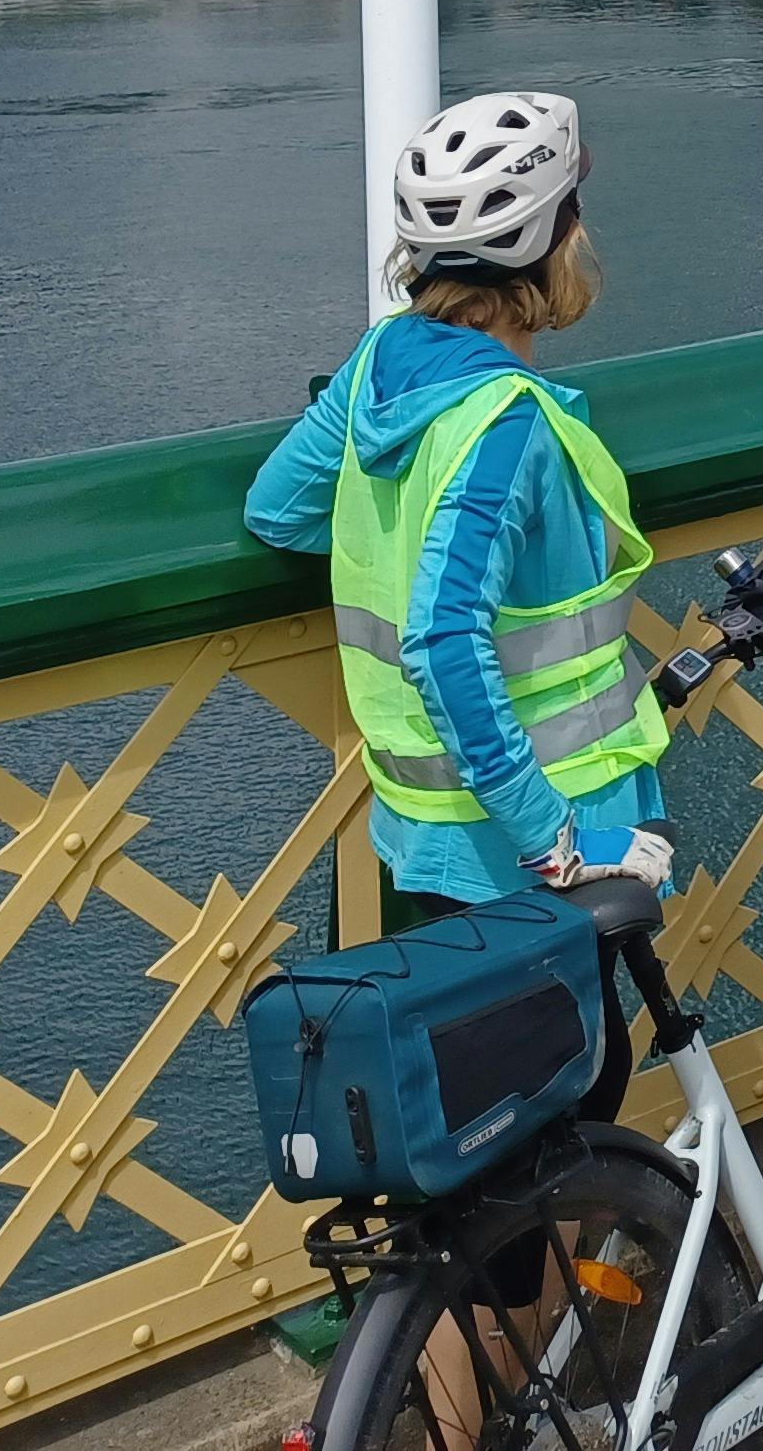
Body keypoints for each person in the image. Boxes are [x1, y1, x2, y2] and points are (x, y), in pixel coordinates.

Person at [246, 88, 675, 991]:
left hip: (427, 826)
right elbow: (443, 641)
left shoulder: (379, 364)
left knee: (493, 1070)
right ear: (556, 244)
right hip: (543, 837)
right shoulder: (504, 421)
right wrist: (557, 841)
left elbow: (279, 511)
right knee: (575, 1063)